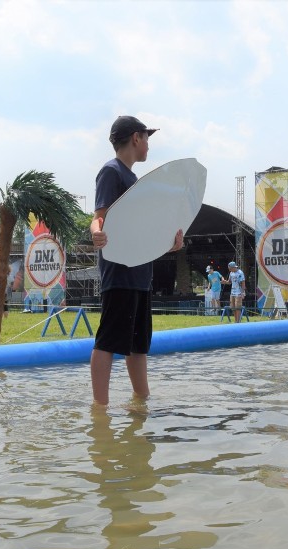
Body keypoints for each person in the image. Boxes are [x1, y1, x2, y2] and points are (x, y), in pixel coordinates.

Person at [89, 115, 183, 406]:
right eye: (147, 137)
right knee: (108, 340)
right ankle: (100, 410)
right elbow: (99, 218)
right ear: (135, 138)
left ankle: (141, 400)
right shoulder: (112, 172)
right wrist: (96, 234)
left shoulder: (134, 180)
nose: (149, 145)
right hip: (119, 272)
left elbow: (141, 234)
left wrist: (169, 245)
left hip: (141, 274)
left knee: (138, 343)